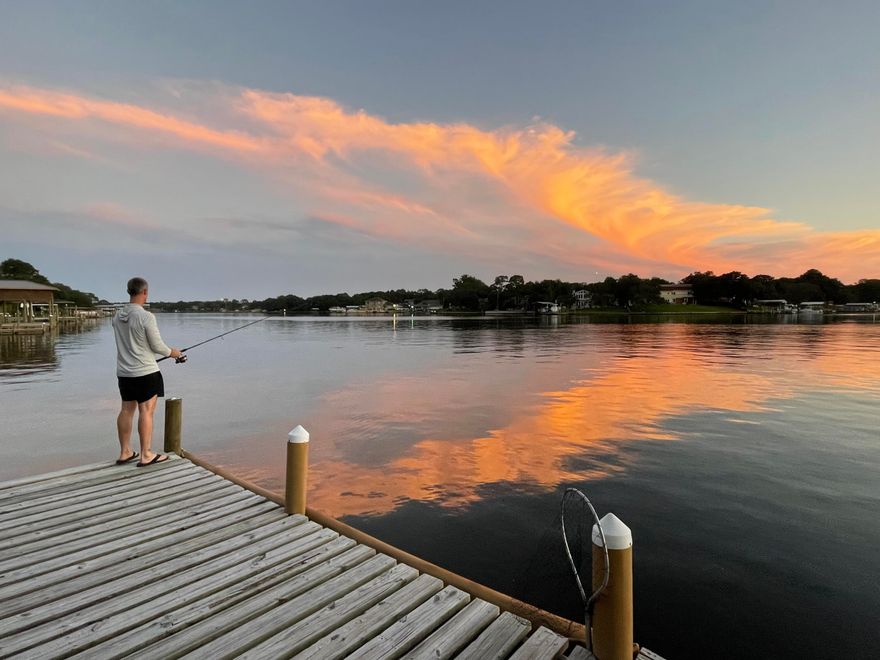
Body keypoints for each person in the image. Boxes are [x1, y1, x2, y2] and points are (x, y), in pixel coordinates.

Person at [112, 277, 182, 466]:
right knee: (146, 411)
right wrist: (174, 353)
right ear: (144, 292)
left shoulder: (117, 316)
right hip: (146, 373)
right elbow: (157, 346)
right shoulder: (146, 317)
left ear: (129, 291)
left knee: (126, 410)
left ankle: (125, 451)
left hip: (124, 373)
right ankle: (146, 454)